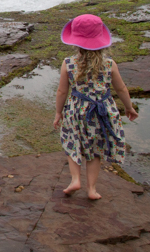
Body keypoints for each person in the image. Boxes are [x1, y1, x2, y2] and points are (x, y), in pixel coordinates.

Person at [53, 14, 138, 200]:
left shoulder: (68, 64)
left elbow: (61, 91)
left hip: (76, 110)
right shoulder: (109, 64)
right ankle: (91, 189)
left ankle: (75, 179)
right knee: (95, 150)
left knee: (72, 141)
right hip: (102, 111)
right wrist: (129, 107)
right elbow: (121, 88)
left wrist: (58, 112)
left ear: (75, 41)